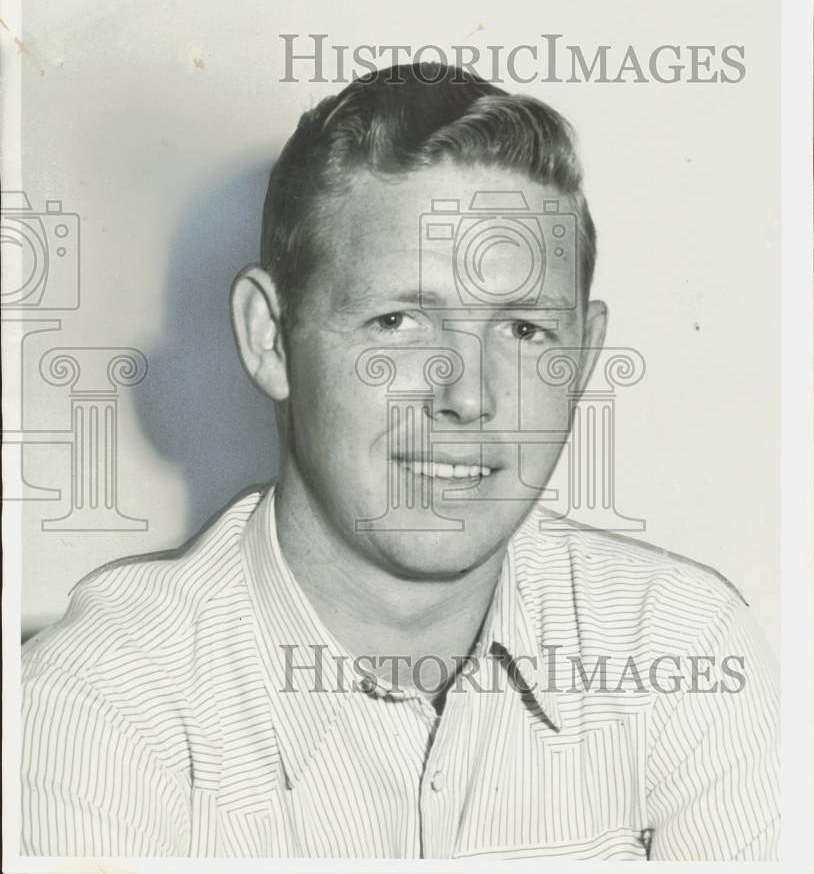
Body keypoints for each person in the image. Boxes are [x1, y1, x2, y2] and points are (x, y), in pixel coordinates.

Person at [21, 64, 780, 860]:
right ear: (270, 338)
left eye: (524, 331)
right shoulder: (95, 702)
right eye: (398, 321)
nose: (469, 398)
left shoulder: (681, 650)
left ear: (584, 356)